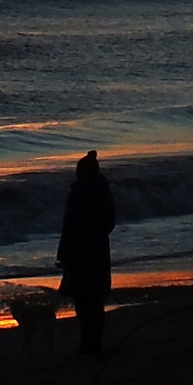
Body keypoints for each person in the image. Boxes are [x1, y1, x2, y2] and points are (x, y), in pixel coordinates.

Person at [56, 149, 116, 356]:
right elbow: (109, 223)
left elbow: (69, 226)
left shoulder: (79, 192)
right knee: (95, 300)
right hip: (98, 252)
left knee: (83, 300)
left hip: (80, 254)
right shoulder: (103, 191)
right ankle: (94, 343)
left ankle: (88, 344)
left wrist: (64, 253)